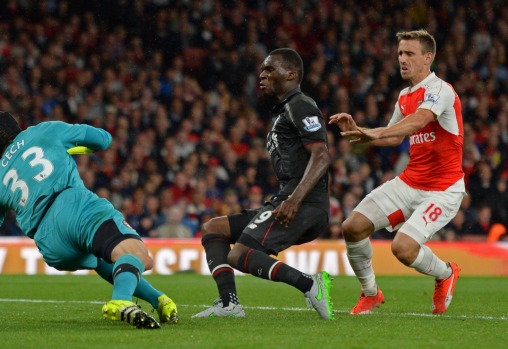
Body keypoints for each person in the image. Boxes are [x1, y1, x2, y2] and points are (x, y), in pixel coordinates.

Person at [0, 111, 178, 329]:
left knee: (102, 259)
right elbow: (104, 140)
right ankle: (120, 302)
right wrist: (79, 149)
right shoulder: (44, 131)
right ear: (16, 126)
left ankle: (159, 300)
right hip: (71, 205)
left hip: (51, 245)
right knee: (138, 255)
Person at [329, 29, 464, 315]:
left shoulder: (440, 90)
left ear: (428, 58)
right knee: (352, 227)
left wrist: (373, 133)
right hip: (410, 182)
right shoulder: (405, 95)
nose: (402, 59)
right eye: (400, 53)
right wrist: (361, 131)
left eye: (410, 53)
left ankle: (445, 272)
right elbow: (392, 137)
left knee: (402, 249)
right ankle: (370, 293)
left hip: (443, 190)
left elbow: (418, 122)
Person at [193, 48, 334, 320]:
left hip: (304, 202)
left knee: (239, 256)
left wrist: (294, 199)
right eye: (262, 69)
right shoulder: (283, 111)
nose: (262, 74)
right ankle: (228, 304)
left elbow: (321, 156)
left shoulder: (300, 104)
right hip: (288, 197)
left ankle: (309, 284)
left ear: (291, 74)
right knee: (214, 229)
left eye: (270, 69)